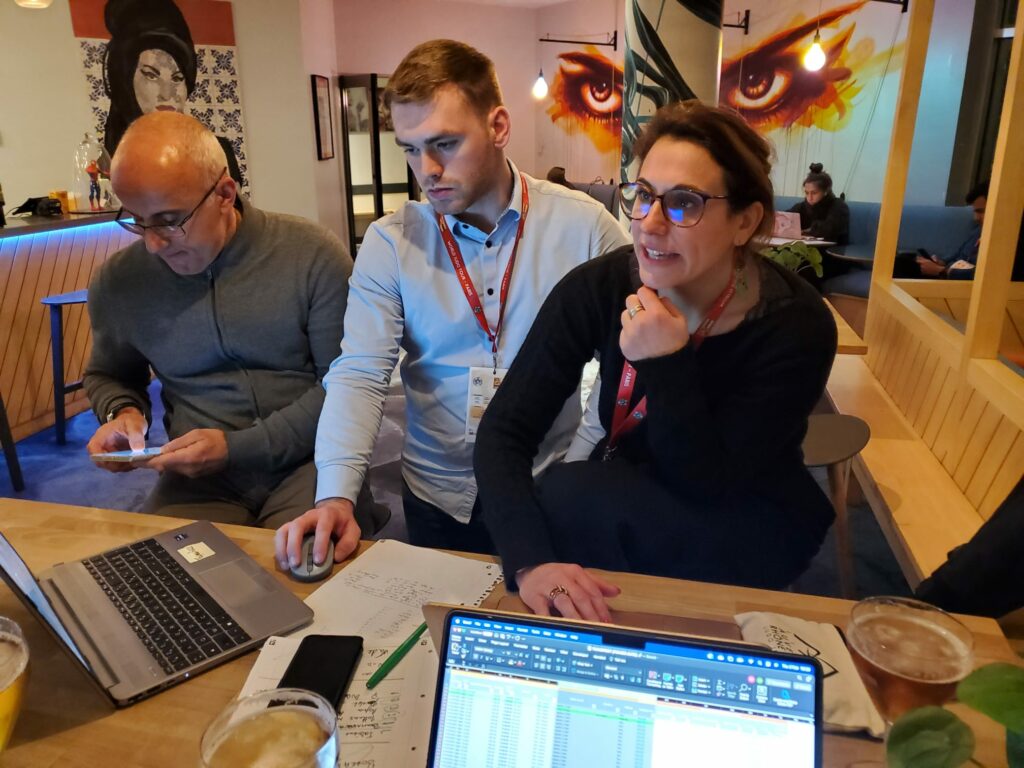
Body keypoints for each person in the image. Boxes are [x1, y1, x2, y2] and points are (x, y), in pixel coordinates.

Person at [474, 101, 838, 621]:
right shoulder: (599, 287)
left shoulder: (794, 323)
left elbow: (708, 482)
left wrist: (667, 362)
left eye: (685, 203)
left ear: (745, 221)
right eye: (643, 196)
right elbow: (505, 430)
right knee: (557, 505)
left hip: (743, 510)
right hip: (635, 490)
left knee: (569, 498)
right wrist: (531, 563)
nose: (650, 223)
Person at [273, 40, 629, 572]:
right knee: (440, 617)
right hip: (438, 492)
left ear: (499, 126)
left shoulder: (585, 228)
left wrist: (580, 462)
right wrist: (336, 495)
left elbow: (623, 365)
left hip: (545, 480)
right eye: (410, 149)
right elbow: (361, 374)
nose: (428, 169)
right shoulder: (391, 242)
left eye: (444, 143)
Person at [84, 111, 373, 530]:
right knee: (168, 566)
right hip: (199, 477)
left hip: (313, 458)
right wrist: (122, 412)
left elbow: (344, 388)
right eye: (136, 220)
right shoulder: (120, 282)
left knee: (304, 560)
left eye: (169, 221)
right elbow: (108, 374)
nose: (152, 244)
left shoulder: (310, 255)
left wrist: (235, 447)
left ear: (224, 193)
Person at [102, 0, 242, 184]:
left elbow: (235, 201)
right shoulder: (110, 160)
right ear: (125, 81)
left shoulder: (217, 152)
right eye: (151, 75)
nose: (167, 94)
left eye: (177, 78)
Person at [915, 181, 988, 280]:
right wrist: (940, 263)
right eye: (975, 212)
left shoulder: (1004, 245)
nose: (976, 218)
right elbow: (959, 255)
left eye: (981, 211)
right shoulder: (979, 231)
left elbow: (984, 275)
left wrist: (941, 271)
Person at [789, 163, 849, 245]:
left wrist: (806, 231)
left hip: (830, 249)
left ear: (825, 191)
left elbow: (830, 229)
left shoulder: (839, 206)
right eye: (807, 193)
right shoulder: (802, 206)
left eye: (814, 193)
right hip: (806, 248)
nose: (809, 197)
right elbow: (785, 217)